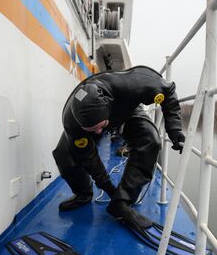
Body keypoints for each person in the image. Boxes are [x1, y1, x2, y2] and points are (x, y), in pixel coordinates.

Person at [52, 66, 185, 217]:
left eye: (100, 127)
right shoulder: (71, 122)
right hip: (93, 123)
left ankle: (123, 201)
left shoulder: (136, 84)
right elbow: (87, 157)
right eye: (92, 129)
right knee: (63, 155)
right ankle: (83, 194)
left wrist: (174, 130)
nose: (99, 133)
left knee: (150, 140)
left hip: (126, 110)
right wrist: (108, 187)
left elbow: (168, 93)